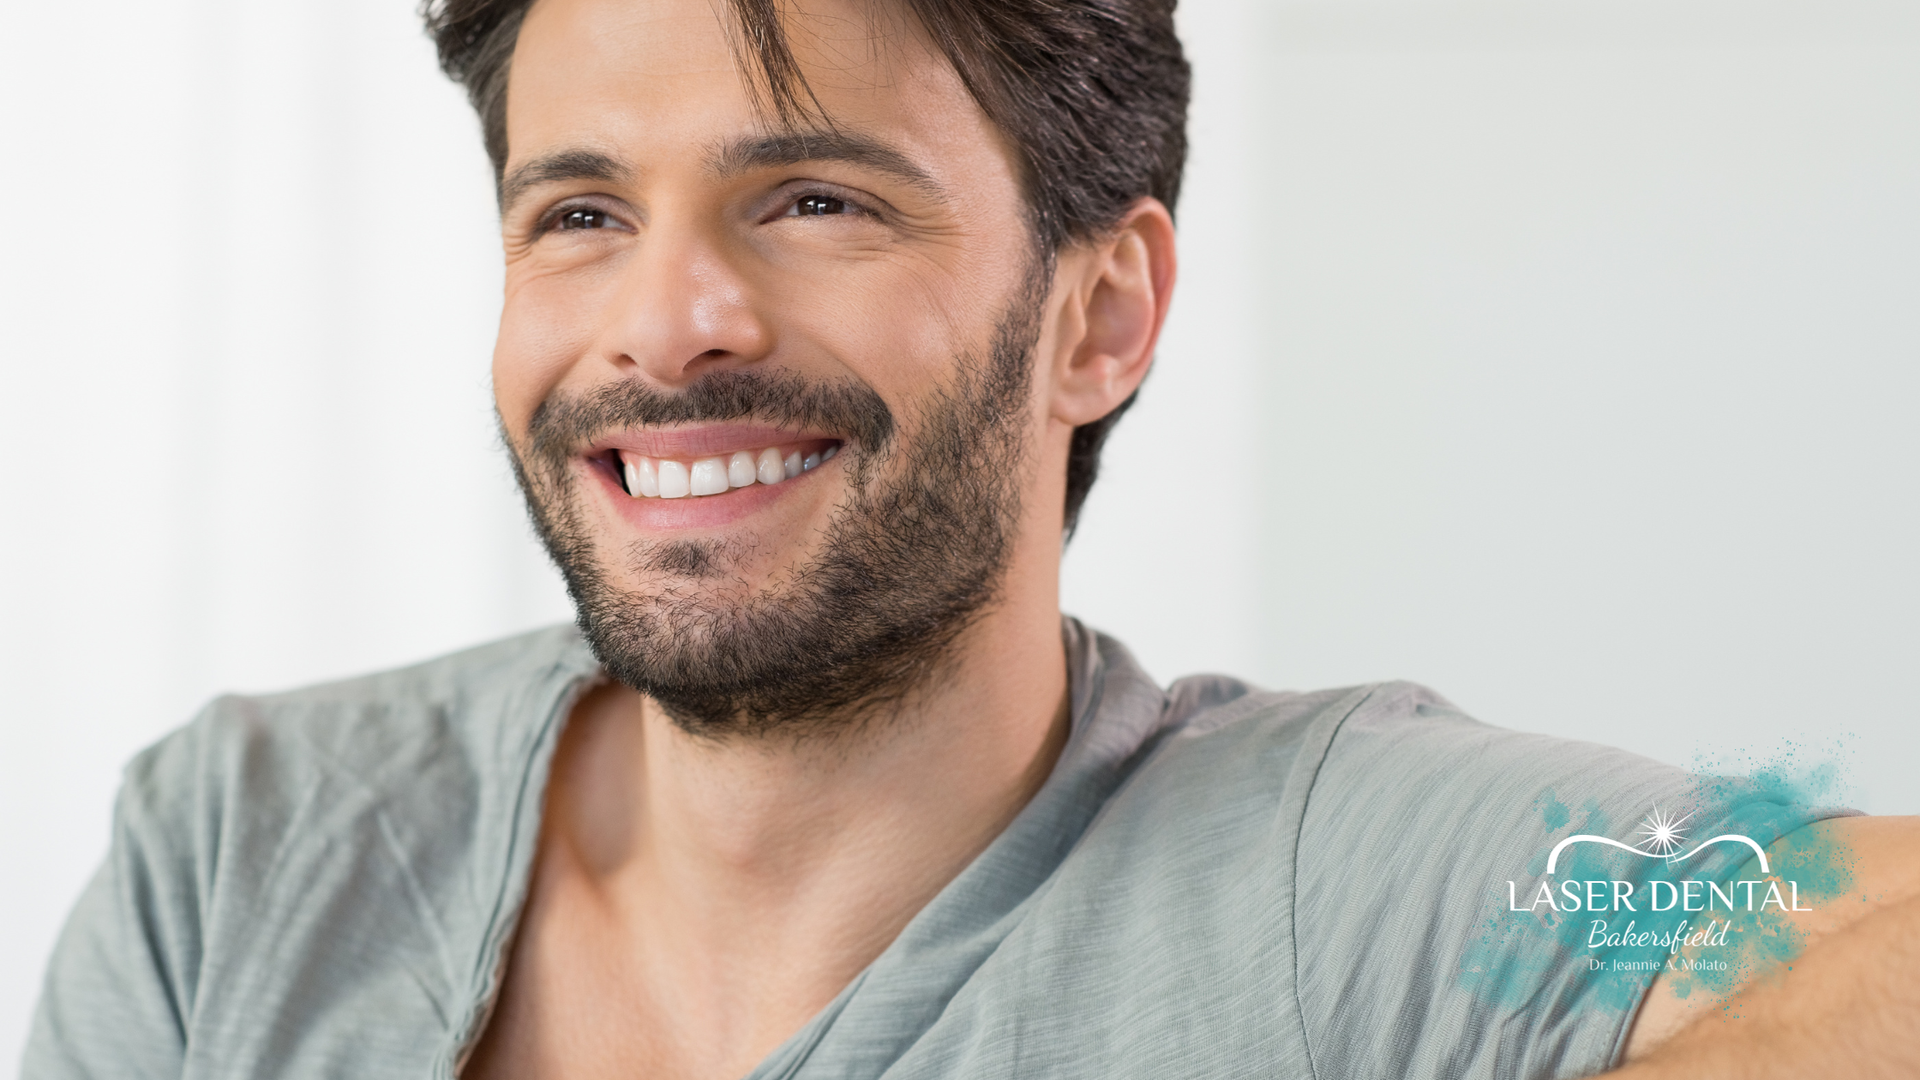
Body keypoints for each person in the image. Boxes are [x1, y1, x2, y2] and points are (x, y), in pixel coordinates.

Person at [24, 0, 1919, 1076]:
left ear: (1101, 314)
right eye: (580, 216)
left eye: (817, 200)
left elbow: (1866, 931)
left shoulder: (1334, 885)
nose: (666, 326)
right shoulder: (245, 852)